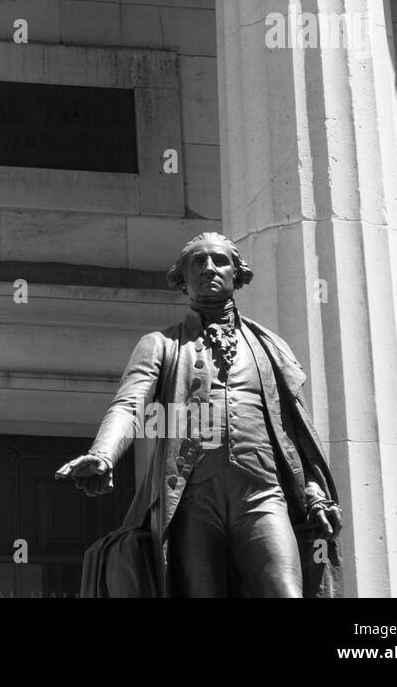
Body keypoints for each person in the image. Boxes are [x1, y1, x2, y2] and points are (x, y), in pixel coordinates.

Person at [55, 232, 343, 597]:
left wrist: (314, 489)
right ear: (182, 278)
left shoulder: (270, 346)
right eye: (198, 262)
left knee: (285, 591)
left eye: (220, 260)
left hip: (263, 494)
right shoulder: (160, 344)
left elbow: (296, 429)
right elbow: (130, 404)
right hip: (192, 500)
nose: (210, 268)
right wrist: (103, 454)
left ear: (237, 275)